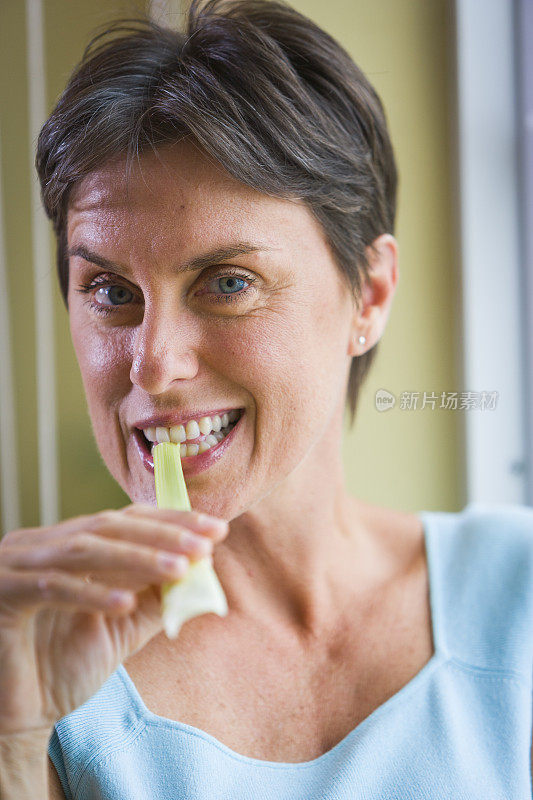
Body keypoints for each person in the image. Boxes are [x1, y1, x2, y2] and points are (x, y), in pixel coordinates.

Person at [0, 0, 532, 797]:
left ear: (369, 294)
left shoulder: (517, 595)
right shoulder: (43, 680)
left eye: (228, 282)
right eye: (110, 291)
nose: (152, 365)